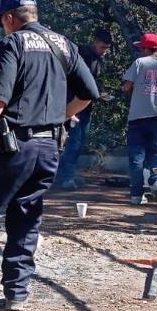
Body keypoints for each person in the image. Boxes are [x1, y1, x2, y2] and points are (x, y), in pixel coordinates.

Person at [0, 0, 99, 311]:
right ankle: (16, 294)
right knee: (26, 217)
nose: (3, 28)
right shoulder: (64, 44)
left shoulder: (12, 43)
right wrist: (62, 117)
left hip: (11, 146)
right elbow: (89, 93)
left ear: (9, 18)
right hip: (49, 149)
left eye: (2, 22)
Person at [53, 27, 113, 189]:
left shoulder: (97, 58)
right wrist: (68, 108)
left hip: (85, 106)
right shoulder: (82, 55)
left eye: (107, 48)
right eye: (102, 47)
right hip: (73, 105)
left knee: (78, 142)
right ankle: (66, 178)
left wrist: (98, 95)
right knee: (73, 141)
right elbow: (70, 82)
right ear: (95, 42)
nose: (105, 51)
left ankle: (66, 174)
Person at [121, 33, 157, 205]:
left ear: (146, 49)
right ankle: (156, 181)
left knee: (136, 156)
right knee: (155, 152)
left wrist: (130, 92)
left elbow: (126, 87)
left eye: (141, 49)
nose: (140, 52)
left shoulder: (140, 63)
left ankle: (136, 195)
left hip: (137, 116)